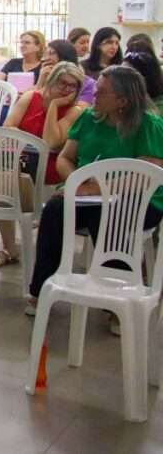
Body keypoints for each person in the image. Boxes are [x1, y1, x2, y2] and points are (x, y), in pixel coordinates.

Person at [28, 66, 163, 316]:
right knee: (55, 210)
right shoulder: (89, 117)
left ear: (122, 101)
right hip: (89, 194)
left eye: (101, 92)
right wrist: (76, 183)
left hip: (138, 199)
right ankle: (42, 289)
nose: (94, 95)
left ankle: (116, 299)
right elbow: (65, 157)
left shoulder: (148, 125)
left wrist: (94, 188)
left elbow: (145, 175)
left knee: (111, 217)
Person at [0, 62, 88, 268]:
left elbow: (52, 142)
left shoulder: (76, 111)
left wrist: (54, 106)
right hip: (22, 158)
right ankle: (9, 247)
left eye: (72, 86)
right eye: (62, 83)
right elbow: (9, 127)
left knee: (10, 179)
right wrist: (27, 144)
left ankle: (35, 247)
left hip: (52, 165)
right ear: (51, 81)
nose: (66, 90)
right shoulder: (30, 97)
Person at [35, 39, 95, 105]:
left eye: (51, 53)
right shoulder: (46, 76)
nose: (46, 58)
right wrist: (41, 81)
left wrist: (55, 103)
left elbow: (81, 108)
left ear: (64, 56)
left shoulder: (87, 83)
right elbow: (33, 102)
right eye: (45, 54)